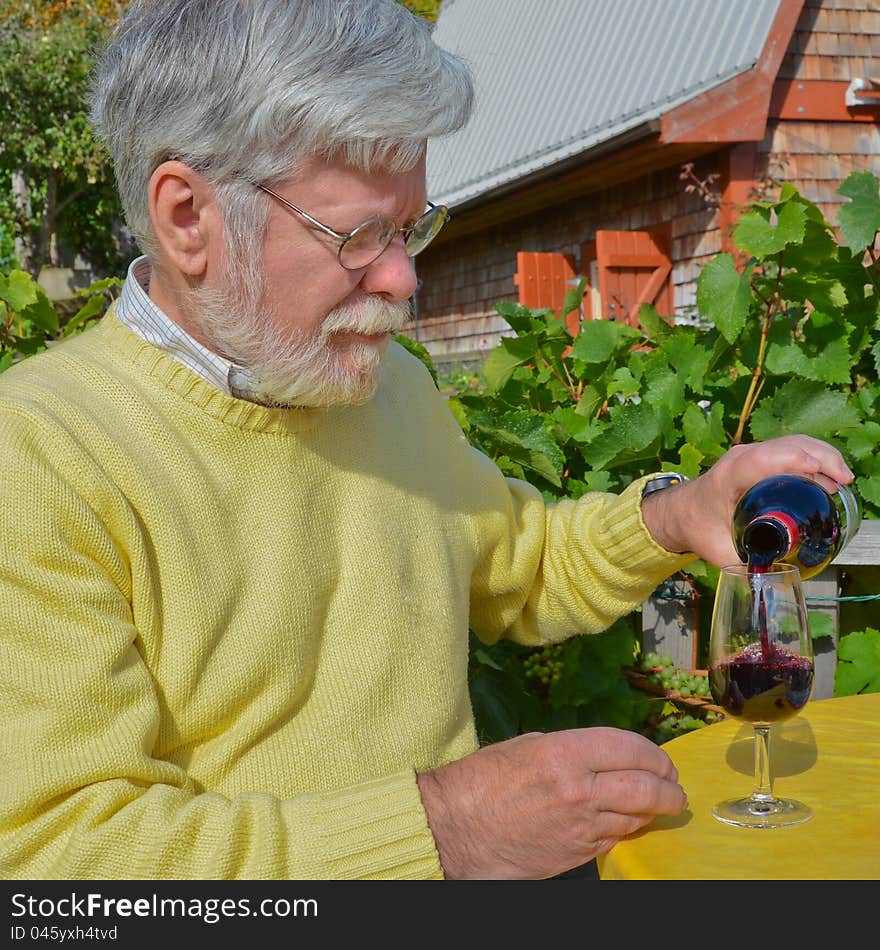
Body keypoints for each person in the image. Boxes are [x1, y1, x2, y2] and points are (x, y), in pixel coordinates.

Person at [0, 0, 853, 881]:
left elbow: (520, 566)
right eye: (359, 234)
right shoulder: (38, 457)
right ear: (188, 218)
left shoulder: (386, 384)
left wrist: (680, 514)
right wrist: (447, 829)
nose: (404, 278)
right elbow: (63, 864)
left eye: (409, 228)